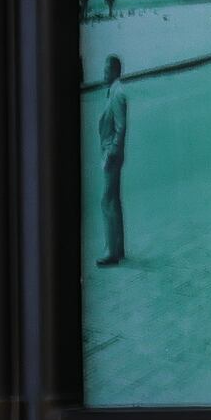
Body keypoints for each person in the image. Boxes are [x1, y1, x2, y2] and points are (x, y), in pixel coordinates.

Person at [92, 56, 134, 267]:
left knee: (106, 201)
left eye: (107, 70)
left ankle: (111, 252)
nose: (104, 73)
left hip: (112, 156)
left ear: (115, 71)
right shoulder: (114, 92)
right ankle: (119, 248)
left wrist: (112, 152)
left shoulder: (118, 94)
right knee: (113, 201)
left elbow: (121, 127)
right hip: (112, 154)